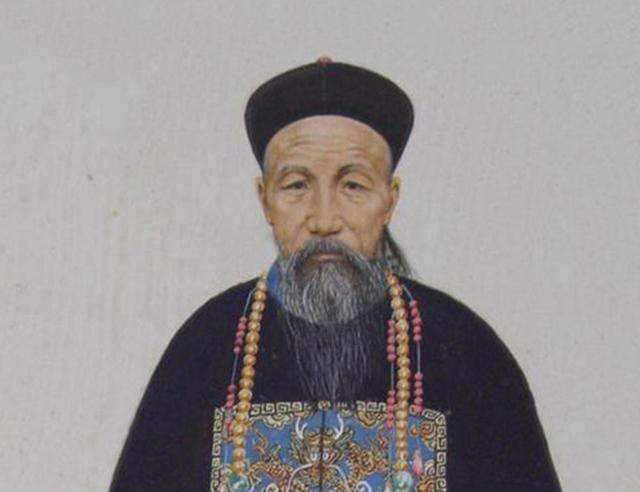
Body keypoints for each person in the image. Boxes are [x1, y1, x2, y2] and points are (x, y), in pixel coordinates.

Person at [109, 59, 561, 491]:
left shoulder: (467, 351)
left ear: (390, 199)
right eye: (296, 185)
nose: (324, 219)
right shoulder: (205, 346)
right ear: (265, 200)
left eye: (353, 185)